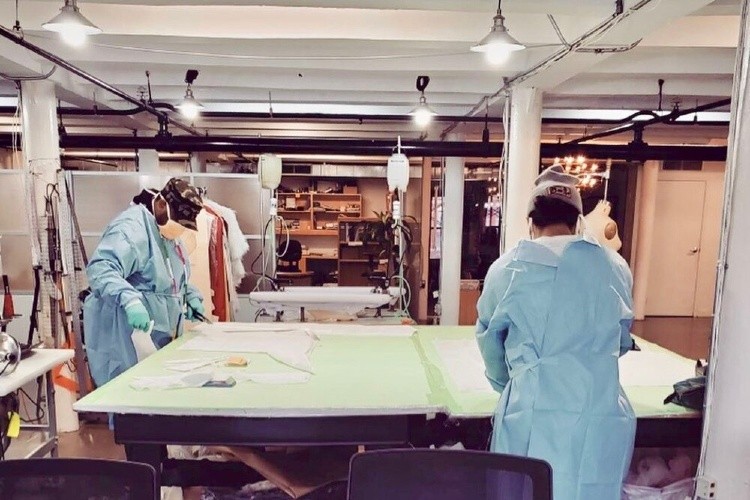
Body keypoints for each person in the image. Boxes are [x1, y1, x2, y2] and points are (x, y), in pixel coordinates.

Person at [476, 165, 636, 500]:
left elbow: (490, 341)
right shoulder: (614, 268)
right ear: (578, 219)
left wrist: (512, 382)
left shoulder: (509, 269)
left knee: (525, 489)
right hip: (600, 406)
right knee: (587, 489)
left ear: (531, 222)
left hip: (530, 408)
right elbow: (621, 340)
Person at [84, 177, 206, 388]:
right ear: (161, 205)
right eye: (178, 223)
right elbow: (100, 269)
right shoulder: (131, 228)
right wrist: (130, 300)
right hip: (128, 340)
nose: (179, 230)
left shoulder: (164, 231)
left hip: (159, 341)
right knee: (129, 400)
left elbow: (169, 277)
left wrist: (189, 295)